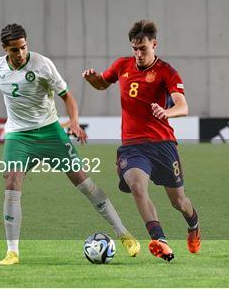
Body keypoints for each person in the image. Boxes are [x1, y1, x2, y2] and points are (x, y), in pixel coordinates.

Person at [0, 23, 140, 265]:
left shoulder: (42, 65)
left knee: (84, 183)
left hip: (50, 133)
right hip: (18, 135)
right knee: (11, 183)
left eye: (23, 47)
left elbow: (67, 96)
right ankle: (12, 252)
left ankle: (124, 234)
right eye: (14, 50)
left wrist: (73, 122)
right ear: (4, 49)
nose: (20, 54)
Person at [82, 20, 201, 262]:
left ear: (154, 44)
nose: (138, 54)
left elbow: (183, 106)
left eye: (143, 49)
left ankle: (193, 225)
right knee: (137, 185)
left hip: (163, 144)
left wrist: (166, 113)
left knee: (179, 202)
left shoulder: (167, 72)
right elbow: (103, 84)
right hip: (133, 146)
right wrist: (93, 79)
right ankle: (160, 239)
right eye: (134, 49)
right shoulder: (122, 65)